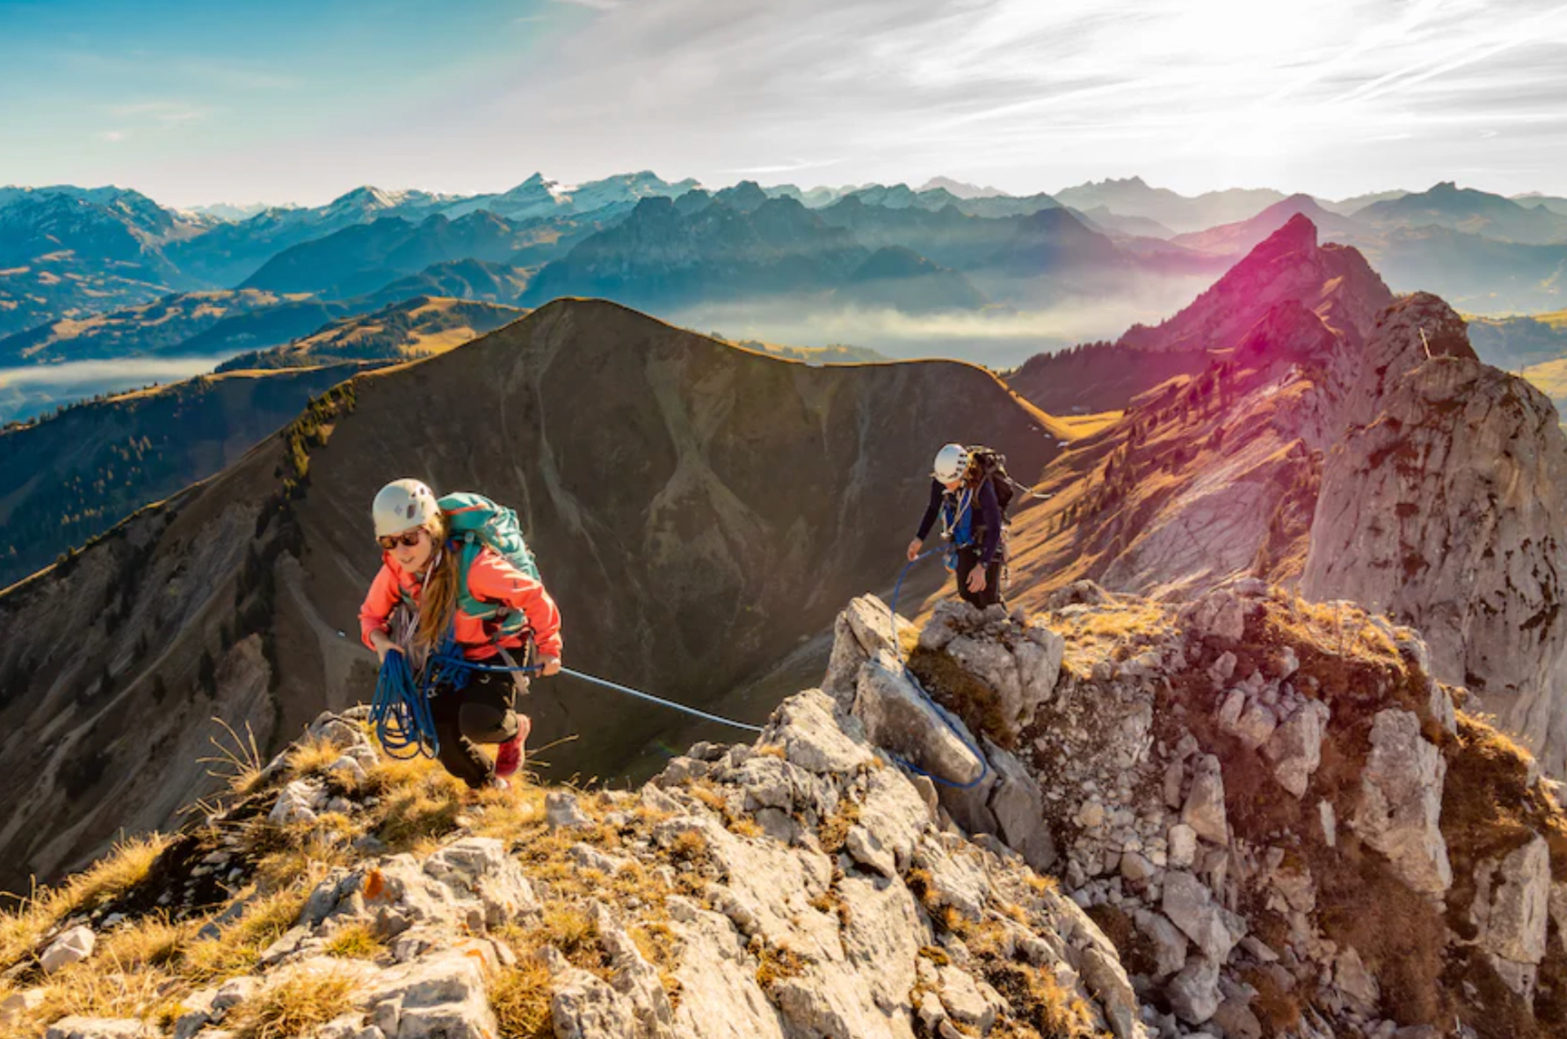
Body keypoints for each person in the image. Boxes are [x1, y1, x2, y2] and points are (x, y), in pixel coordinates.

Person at [359, 479, 563, 792]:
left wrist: (548, 648)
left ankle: (514, 731)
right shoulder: (396, 572)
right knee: (434, 731)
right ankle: (488, 787)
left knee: (480, 722)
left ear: (431, 529)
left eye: (409, 538)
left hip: (497, 649)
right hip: (447, 655)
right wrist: (381, 642)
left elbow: (533, 596)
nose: (401, 551)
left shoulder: (477, 568)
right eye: (389, 542)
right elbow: (371, 616)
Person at [906, 444, 1004, 608]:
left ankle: (1001, 621)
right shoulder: (941, 480)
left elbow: (995, 529)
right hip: (964, 539)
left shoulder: (982, 488)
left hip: (987, 539)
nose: (947, 486)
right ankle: (980, 622)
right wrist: (918, 539)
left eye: (951, 481)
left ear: (963, 472)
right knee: (966, 592)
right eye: (943, 481)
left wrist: (982, 566)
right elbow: (933, 508)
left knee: (987, 597)